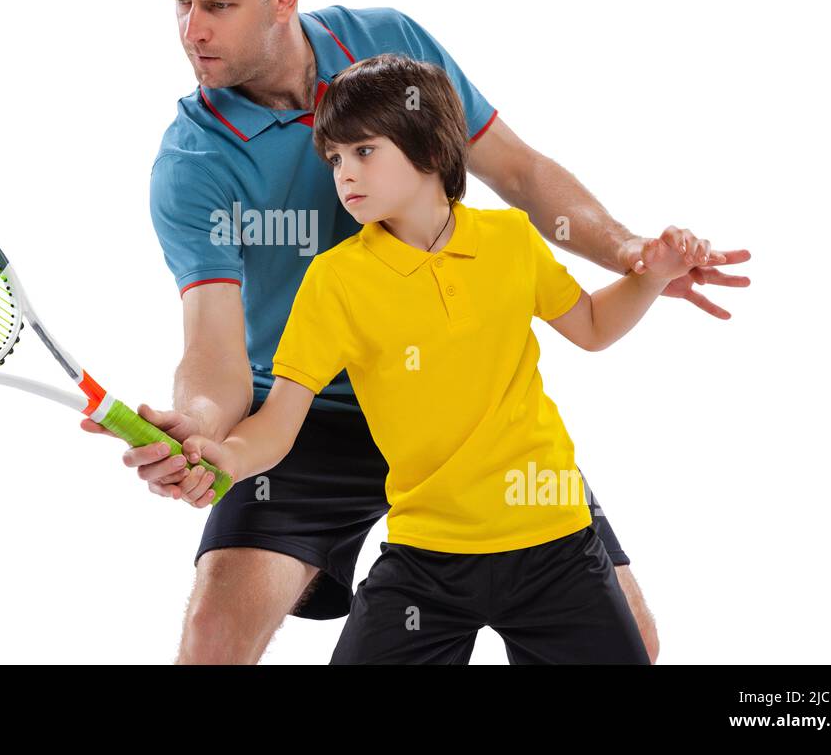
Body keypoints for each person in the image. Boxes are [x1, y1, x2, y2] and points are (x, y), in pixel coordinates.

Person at [80, 0, 750, 664]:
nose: (192, 30)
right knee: (212, 639)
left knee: (630, 639)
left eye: (219, 5)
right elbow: (216, 350)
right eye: (180, 3)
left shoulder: (392, 52)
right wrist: (200, 427)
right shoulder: (192, 163)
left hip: (461, 412)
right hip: (305, 416)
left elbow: (520, 173)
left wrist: (635, 255)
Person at [169, 53, 696, 663]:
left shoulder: (510, 243)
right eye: (335, 159)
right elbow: (279, 425)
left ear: (430, 147)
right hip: (428, 562)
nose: (344, 173)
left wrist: (653, 275)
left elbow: (596, 326)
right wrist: (225, 455)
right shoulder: (335, 281)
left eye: (364, 151)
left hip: (556, 546)